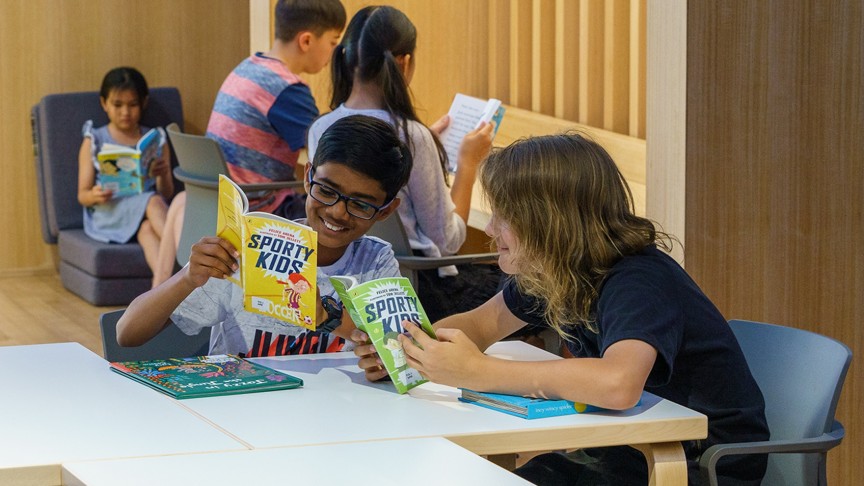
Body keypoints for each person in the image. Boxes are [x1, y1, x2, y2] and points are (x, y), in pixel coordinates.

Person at [353, 133, 770, 485]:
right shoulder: (556, 267)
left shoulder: (638, 280)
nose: (492, 228)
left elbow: (618, 383)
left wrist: (478, 372)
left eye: (504, 216)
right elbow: (482, 325)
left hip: (698, 463)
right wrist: (403, 348)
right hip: (627, 449)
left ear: (549, 223)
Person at [117, 115, 412, 358]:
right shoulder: (245, 251)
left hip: (330, 418)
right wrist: (187, 278)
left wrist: (327, 318)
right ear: (308, 177)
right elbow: (127, 333)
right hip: (240, 412)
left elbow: (398, 354)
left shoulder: (375, 262)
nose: (337, 212)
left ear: (385, 211)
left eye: (360, 204)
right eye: (326, 190)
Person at [307, 5, 500, 323]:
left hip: (345, 285)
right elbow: (448, 241)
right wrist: (468, 164)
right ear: (404, 62)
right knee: (529, 295)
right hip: (414, 292)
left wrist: (421, 148)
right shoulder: (412, 136)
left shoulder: (321, 127)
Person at [151, 0, 347, 287]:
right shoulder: (288, 90)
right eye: (332, 43)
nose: (333, 54)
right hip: (255, 210)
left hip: (218, 200)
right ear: (306, 40)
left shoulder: (246, 68)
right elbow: (329, 151)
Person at [77, 66, 174, 283]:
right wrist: (95, 195)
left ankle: (161, 294)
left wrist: (163, 174)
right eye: (117, 105)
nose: (125, 112)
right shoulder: (94, 139)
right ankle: (188, 255)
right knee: (153, 200)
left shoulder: (155, 139)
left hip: (146, 214)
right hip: (111, 211)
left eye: (132, 105)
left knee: (148, 229)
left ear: (143, 103)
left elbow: (167, 192)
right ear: (104, 104)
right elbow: (82, 195)